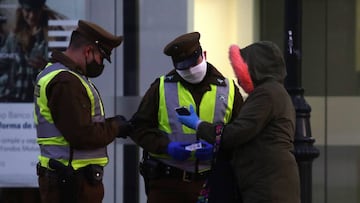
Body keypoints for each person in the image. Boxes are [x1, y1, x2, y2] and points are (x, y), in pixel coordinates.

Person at [177, 41, 301, 203]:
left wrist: (198, 125)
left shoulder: (266, 94)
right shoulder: (275, 92)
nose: (237, 77)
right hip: (272, 181)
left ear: (256, 67)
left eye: (241, 69)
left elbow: (236, 133)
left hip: (268, 185)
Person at [130, 32, 243, 203]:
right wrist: (167, 147)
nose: (190, 70)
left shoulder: (228, 90)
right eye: (183, 66)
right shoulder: (161, 87)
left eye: (193, 62)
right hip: (168, 184)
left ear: (203, 55)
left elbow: (241, 135)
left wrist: (218, 150)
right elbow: (138, 128)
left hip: (214, 183)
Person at [33, 19, 132, 203]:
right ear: (88, 51)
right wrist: (115, 127)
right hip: (72, 183)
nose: (101, 64)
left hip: (67, 179)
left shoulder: (57, 73)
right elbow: (81, 134)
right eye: (101, 58)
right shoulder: (66, 81)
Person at [0, 0, 66, 102]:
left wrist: (45, 66)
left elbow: (65, 72)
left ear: (42, 10)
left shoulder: (54, 35)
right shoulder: (13, 37)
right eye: (28, 10)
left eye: (36, 11)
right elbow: (3, 64)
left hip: (40, 102)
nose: (32, 15)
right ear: (21, 10)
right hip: (14, 100)